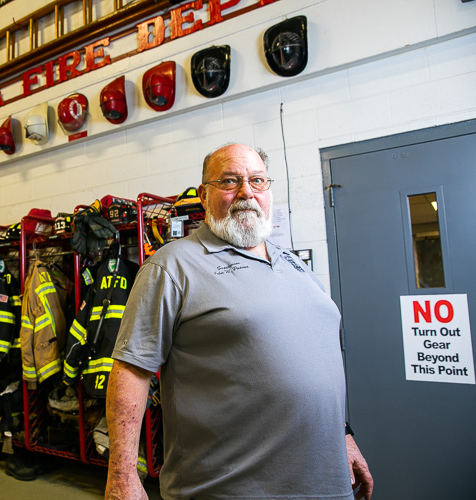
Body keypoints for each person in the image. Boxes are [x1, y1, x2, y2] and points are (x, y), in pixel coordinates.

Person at [105, 144, 373, 500]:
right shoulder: (173, 266)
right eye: (230, 181)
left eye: (257, 180)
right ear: (204, 195)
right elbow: (131, 370)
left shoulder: (295, 265)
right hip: (229, 488)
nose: (247, 191)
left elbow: (316, 364)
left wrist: (343, 435)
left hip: (325, 481)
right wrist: (122, 475)